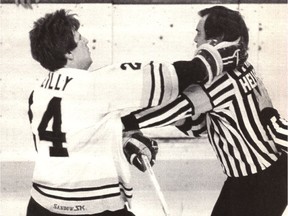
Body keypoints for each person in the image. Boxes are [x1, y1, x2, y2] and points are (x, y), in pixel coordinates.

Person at [26, 9, 243, 216]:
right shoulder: (96, 83)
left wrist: (120, 141)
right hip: (92, 207)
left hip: (40, 205)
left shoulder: (38, 93)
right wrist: (217, 54)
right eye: (79, 38)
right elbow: (176, 78)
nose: (85, 42)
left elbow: (68, 138)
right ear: (68, 53)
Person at [121, 6, 287, 216]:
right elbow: (203, 127)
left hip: (258, 182)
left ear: (215, 41)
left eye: (199, 32)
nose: (195, 39)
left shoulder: (221, 82)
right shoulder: (244, 67)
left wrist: (123, 122)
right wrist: (180, 119)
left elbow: (174, 108)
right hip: (260, 176)